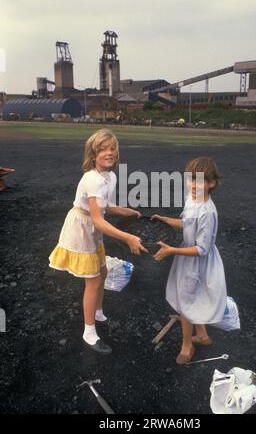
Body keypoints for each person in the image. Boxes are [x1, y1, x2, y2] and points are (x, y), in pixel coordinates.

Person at [49, 129, 147, 354]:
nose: (109, 153)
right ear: (93, 155)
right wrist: (129, 237)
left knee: (102, 273)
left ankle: (98, 311)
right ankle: (89, 332)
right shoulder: (92, 179)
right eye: (103, 149)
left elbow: (105, 207)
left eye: (112, 148)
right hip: (82, 228)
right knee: (92, 281)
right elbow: (97, 219)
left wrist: (125, 211)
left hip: (92, 227)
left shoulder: (110, 176)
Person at [152, 157, 227, 364]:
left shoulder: (207, 212)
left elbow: (202, 249)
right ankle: (202, 335)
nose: (193, 185)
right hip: (188, 256)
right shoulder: (192, 199)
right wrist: (165, 219)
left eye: (200, 181)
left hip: (197, 261)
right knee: (196, 295)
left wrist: (171, 250)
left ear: (211, 183)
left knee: (186, 301)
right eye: (190, 180)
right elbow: (185, 223)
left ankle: (187, 345)